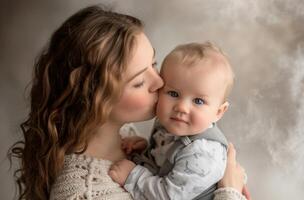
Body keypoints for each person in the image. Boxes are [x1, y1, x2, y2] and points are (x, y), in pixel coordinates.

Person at [7, 5, 249, 200]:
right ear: (96, 100)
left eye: (153, 64)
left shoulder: (130, 136)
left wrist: (144, 152)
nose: (160, 82)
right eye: (138, 82)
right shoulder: (84, 193)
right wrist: (230, 192)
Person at [108, 42, 238, 200]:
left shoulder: (202, 154)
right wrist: (146, 150)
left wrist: (133, 176)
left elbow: (169, 196)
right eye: (173, 94)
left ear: (218, 112)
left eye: (198, 101)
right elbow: (167, 160)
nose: (181, 107)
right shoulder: (170, 125)